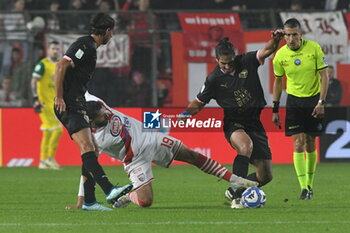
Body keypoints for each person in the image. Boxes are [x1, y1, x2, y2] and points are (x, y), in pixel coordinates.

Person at [66, 93, 258, 210]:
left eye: (104, 111)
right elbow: (88, 169)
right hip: (134, 161)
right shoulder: (94, 141)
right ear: (91, 121)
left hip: (151, 138)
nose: (106, 115)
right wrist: (82, 199)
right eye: (101, 116)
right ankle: (129, 195)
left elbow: (81, 87)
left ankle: (236, 180)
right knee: (146, 201)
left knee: (190, 155)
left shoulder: (98, 104)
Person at [179, 31, 285, 209]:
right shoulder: (213, 79)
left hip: (254, 122)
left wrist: (275, 39)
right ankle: (237, 195)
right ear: (216, 60)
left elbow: (268, 49)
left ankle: (235, 191)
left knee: (265, 176)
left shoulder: (247, 61)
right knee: (245, 146)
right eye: (223, 63)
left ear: (235, 57)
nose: (227, 67)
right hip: (233, 122)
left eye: (230, 63)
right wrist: (186, 114)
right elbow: (198, 103)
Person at [54, 13, 132, 211]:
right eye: (112, 32)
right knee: (88, 148)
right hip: (69, 104)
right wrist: (59, 96)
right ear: (106, 31)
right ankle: (109, 189)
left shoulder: (90, 48)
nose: (112, 36)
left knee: (92, 150)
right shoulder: (85, 45)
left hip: (77, 102)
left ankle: (88, 201)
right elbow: (61, 64)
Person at [272, 18, 329, 200]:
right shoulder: (280, 55)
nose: (290, 38)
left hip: (313, 101)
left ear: (300, 34)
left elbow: (324, 76)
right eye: (287, 35)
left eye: (294, 34)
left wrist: (321, 102)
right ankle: (304, 187)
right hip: (294, 102)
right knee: (298, 143)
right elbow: (278, 81)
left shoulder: (314, 48)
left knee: (310, 143)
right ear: (284, 35)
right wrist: (275, 108)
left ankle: (310, 185)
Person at [31, 41, 63, 170]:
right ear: (48, 50)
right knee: (57, 129)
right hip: (44, 104)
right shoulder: (42, 65)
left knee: (48, 133)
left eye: (57, 48)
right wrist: (35, 99)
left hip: (55, 103)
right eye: (53, 48)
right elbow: (33, 82)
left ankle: (43, 160)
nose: (55, 51)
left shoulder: (60, 65)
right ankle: (49, 158)